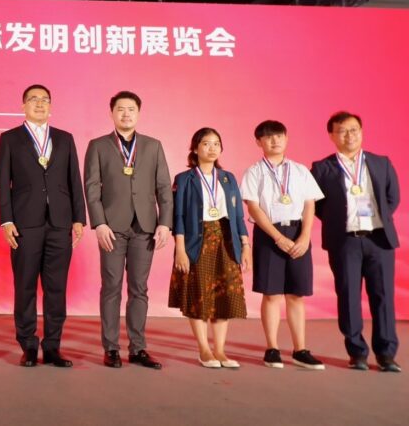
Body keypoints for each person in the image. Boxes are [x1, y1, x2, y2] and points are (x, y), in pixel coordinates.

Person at [0, 85, 85, 368]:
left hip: (60, 223)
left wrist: (79, 218)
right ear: (23, 105)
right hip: (25, 224)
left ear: (51, 106)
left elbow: (74, 180)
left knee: (56, 288)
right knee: (25, 287)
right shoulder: (10, 138)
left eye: (44, 100)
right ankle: (28, 345)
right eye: (33, 99)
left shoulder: (64, 138)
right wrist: (7, 220)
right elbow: (4, 183)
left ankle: (53, 346)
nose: (39, 104)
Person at [83, 91, 172, 369]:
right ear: (112, 112)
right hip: (111, 228)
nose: (126, 114)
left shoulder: (153, 146)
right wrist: (99, 224)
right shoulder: (98, 145)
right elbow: (91, 188)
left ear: (138, 113)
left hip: (145, 228)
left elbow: (164, 188)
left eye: (131, 109)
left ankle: (138, 348)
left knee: (139, 289)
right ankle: (111, 348)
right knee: (111, 288)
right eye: (120, 109)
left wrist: (165, 223)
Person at [311, 111, 400, 373]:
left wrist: (376, 219)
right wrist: (338, 220)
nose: (349, 135)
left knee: (383, 297)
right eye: (342, 131)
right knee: (348, 295)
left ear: (361, 132)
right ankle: (357, 352)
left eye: (354, 130)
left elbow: (392, 198)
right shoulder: (321, 168)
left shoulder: (381, 163)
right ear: (331, 135)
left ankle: (386, 355)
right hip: (345, 242)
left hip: (378, 240)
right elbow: (317, 205)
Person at [240, 120, 325, 370]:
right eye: (268, 137)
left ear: (286, 138)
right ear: (259, 142)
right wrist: (277, 237)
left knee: (297, 294)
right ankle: (272, 349)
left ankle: (300, 350)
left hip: (298, 233)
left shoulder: (300, 170)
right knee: (272, 294)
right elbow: (253, 207)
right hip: (269, 234)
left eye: (279, 136)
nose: (274, 140)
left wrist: (305, 236)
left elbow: (310, 204)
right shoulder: (254, 172)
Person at [169, 127, 250, 369]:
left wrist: (245, 245)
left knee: (225, 295)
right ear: (195, 148)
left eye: (216, 143)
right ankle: (204, 350)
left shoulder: (228, 178)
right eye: (206, 143)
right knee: (199, 295)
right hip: (197, 241)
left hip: (226, 240)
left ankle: (220, 350)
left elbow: (238, 216)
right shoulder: (184, 179)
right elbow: (178, 216)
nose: (212, 148)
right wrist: (180, 249)